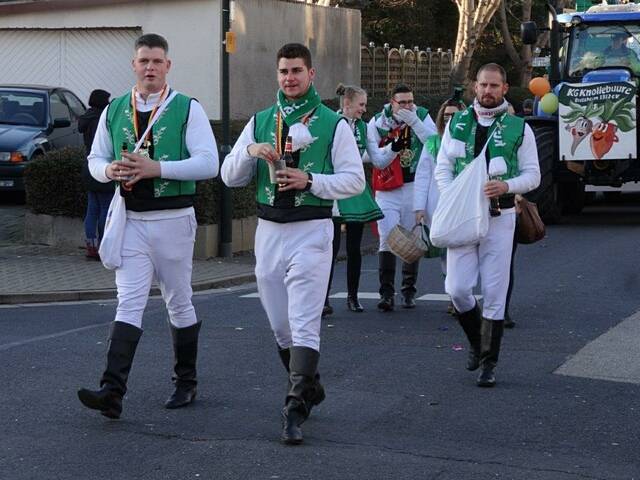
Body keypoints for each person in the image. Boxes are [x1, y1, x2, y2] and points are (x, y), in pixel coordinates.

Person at [221, 43, 364, 445]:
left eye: (297, 71)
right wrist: (249, 151)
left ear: (311, 74)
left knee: (303, 320)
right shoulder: (261, 120)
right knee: (279, 323)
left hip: (313, 229)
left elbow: (355, 180)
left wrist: (311, 181)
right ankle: (311, 385)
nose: (290, 78)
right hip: (269, 231)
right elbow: (228, 176)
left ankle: (294, 406)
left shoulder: (334, 124)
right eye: (284, 71)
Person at [77, 33, 219, 419]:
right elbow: (95, 159)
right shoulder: (115, 108)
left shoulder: (187, 108)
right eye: (144, 61)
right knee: (129, 300)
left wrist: (158, 169)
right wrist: (109, 170)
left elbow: (210, 163)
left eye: (157, 61)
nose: (150, 68)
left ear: (168, 66)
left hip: (174, 219)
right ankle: (112, 390)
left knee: (178, 299)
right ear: (134, 65)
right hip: (131, 219)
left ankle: (186, 382)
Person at [435, 63, 540, 387]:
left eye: (495, 86)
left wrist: (507, 186)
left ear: (505, 89)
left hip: (501, 217)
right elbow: (443, 168)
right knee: (457, 288)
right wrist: (455, 197)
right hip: (464, 218)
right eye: (483, 85)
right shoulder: (458, 123)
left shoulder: (520, 128)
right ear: (474, 87)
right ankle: (476, 342)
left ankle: (488, 364)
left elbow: (533, 175)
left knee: (494, 292)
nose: (488, 91)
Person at [367, 84, 436, 311]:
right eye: (402, 102)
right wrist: (393, 148)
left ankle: (408, 291)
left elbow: (435, 144)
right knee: (386, 237)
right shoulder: (378, 122)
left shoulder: (422, 115)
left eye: (410, 102)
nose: (407, 106)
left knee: (410, 237)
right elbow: (373, 157)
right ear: (392, 102)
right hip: (388, 187)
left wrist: (415, 121)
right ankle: (386, 293)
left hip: (414, 185)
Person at [323, 84, 383, 315]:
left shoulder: (364, 127)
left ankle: (353, 297)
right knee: (330, 247)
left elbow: (376, 159)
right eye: (361, 105)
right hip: (334, 188)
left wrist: (394, 149)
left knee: (355, 248)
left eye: (365, 105)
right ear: (346, 104)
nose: (364, 110)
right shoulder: (330, 123)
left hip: (355, 188)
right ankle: (323, 299)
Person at [413, 97, 465, 314]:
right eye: (446, 116)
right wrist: (419, 207)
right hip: (439, 204)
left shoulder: (469, 140)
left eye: (454, 115)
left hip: (464, 204)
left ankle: (462, 295)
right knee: (445, 253)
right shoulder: (433, 143)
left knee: (462, 252)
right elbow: (423, 175)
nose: (449, 119)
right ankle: (454, 298)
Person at [78, 89, 112, 260]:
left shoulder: (86, 117)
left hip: (89, 166)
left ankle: (91, 246)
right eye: (108, 99)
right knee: (106, 208)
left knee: (92, 209)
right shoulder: (104, 118)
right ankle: (103, 247)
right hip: (103, 166)